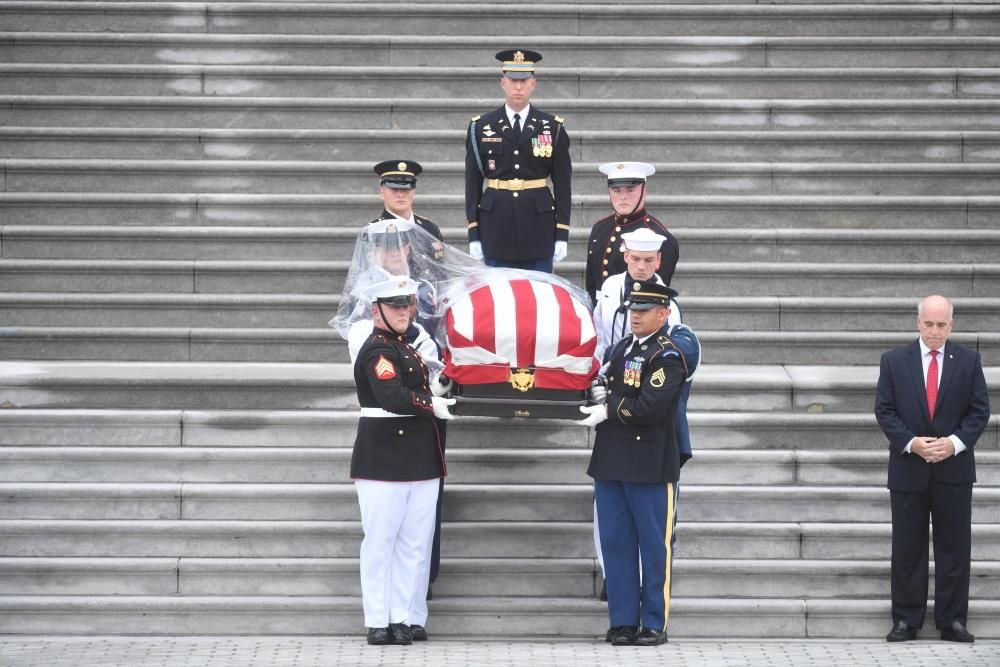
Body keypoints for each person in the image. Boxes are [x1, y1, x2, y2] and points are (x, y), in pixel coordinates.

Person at [577, 280, 690, 647]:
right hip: (611, 460)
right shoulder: (621, 348)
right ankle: (623, 621)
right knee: (616, 544)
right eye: (632, 311)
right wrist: (597, 390)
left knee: (654, 547)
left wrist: (608, 406)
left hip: (649, 463)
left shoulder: (669, 355)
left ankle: (654, 622)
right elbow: (602, 379)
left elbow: (650, 406)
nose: (635, 317)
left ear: (664, 313)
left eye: (643, 311)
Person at [875, 294, 990, 644]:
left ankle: (952, 620)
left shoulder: (969, 361)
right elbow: (885, 410)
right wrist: (912, 443)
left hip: (953, 469)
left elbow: (979, 411)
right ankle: (906, 620)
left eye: (942, 325)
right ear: (918, 322)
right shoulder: (894, 361)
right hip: (909, 467)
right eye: (929, 324)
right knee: (907, 547)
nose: (935, 331)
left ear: (951, 325)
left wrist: (954, 443)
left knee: (954, 547)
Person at [351, 276, 457, 646]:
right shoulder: (377, 349)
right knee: (381, 541)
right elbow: (393, 396)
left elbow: (417, 385)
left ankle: (403, 617)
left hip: (419, 457)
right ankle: (378, 618)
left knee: (414, 543)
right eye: (394, 306)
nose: (402, 312)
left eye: (406, 306)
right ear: (375, 310)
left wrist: (439, 390)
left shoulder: (407, 346)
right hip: (384, 457)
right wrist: (434, 404)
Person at [465, 49, 572, 272]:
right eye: (513, 80)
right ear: (502, 82)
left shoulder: (552, 127)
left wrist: (562, 232)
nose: (518, 86)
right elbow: (472, 183)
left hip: (538, 226)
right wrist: (473, 232)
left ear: (533, 83)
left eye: (524, 80)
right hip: (495, 226)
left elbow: (563, 184)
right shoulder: (481, 126)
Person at [585, 162, 679, 304]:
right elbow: (591, 284)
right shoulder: (600, 228)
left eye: (630, 190)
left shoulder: (658, 236)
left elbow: (656, 295)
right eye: (616, 190)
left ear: (644, 192)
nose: (623, 196)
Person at [592, 227, 681, 356]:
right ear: (626, 255)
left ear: (658, 259)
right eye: (635, 258)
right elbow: (598, 331)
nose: (641, 267)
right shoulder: (610, 286)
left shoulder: (667, 301)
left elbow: (671, 348)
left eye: (648, 260)